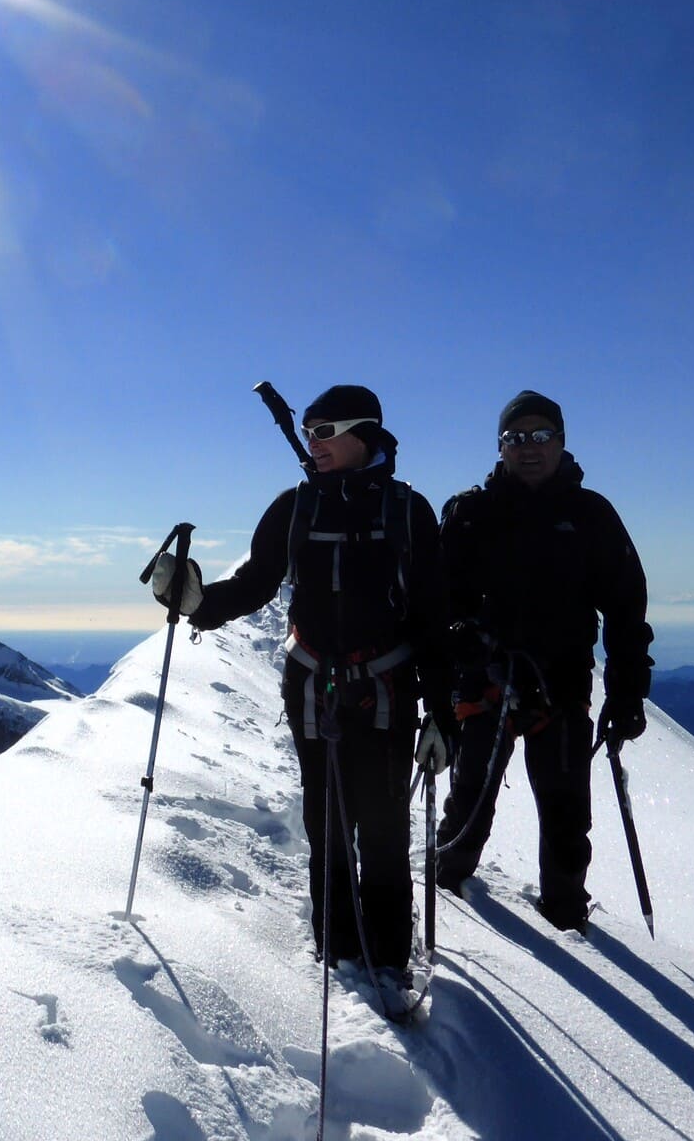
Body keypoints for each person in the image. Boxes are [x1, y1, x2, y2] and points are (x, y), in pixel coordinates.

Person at [167, 385, 451, 983]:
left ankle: (389, 958)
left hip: (387, 691)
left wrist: (442, 712)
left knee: (380, 831)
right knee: (326, 826)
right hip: (313, 689)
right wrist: (197, 604)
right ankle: (340, 956)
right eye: (310, 431)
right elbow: (256, 582)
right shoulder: (295, 507)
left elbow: (431, 616)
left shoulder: (407, 511)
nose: (312, 442)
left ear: (363, 434)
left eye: (325, 431)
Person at [434, 390, 653, 933]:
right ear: (500, 447)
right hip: (484, 679)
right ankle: (446, 900)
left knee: (565, 814)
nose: (528, 448)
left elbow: (626, 608)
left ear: (560, 442)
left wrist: (628, 691)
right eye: (515, 438)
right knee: (467, 808)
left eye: (540, 436)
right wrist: (456, 636)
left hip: (560, 684)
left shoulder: (590, 515)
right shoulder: (469, 514)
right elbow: (435, 597)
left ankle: (565, 918)